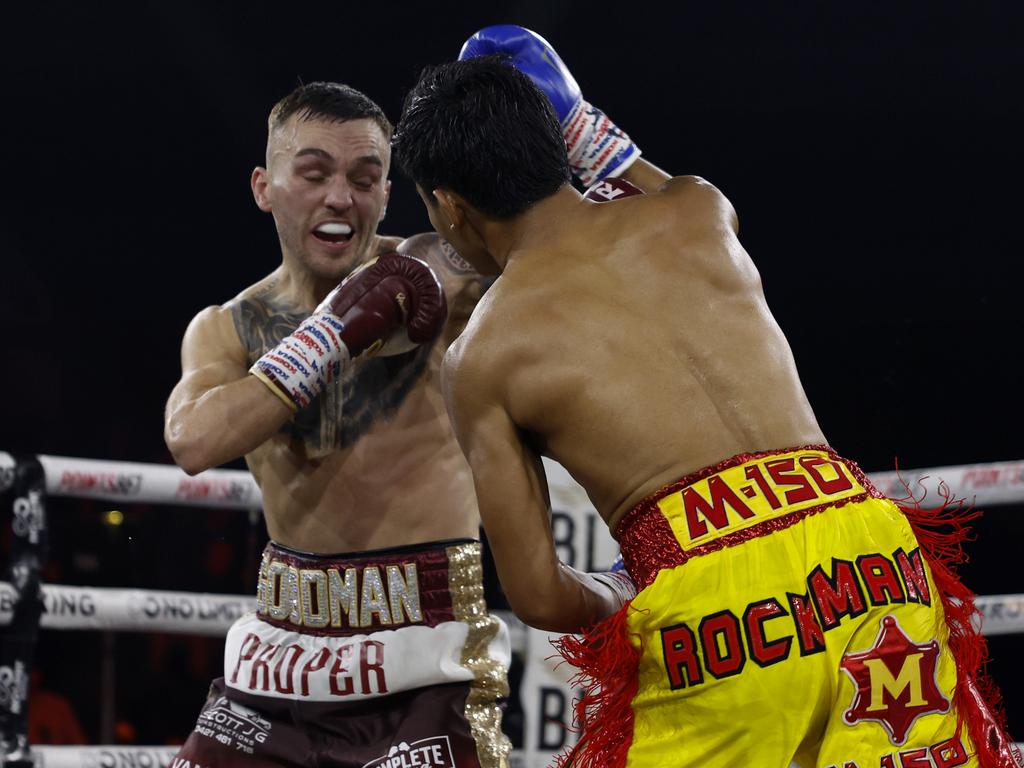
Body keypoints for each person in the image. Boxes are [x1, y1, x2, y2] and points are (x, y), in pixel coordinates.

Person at [390, 27, 1021, 768]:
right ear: (561, 141)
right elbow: (647, 181)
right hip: (870, 563)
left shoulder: (482, 358)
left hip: (720, 611)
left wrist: (622, 585)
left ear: (450, 207)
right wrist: (577, 120)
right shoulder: (697, 209)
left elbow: (538, 596)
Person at [164, 81, 512, 768]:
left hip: (425, 657)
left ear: (385, 194)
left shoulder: (441, 274)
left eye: (365, 178)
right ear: (265, 187)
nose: (340, 197)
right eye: (315, 173)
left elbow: (582, 253)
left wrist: (588, 144)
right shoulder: (226, 327)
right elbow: (194, 440)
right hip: (278, 663)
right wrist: (332, 333)